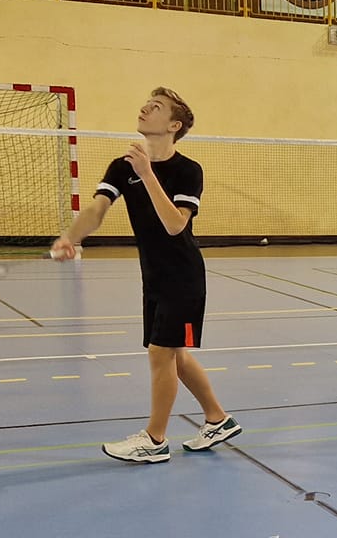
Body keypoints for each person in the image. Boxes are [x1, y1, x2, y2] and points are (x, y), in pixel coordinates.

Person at [51, 88, 241, 463]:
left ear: (174, 125)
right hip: (153, 276)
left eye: (156, 107)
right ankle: (217, 419)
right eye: (146, 104)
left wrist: (147, 174)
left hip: (183, 276)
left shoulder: (188, 171)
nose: (144, 109)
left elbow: (175, 225)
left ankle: (154, 440)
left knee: (160, 353)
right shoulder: (123, 167)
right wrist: (70, 237)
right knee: (176, 356)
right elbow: (97, 210)